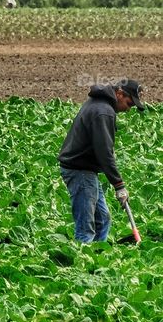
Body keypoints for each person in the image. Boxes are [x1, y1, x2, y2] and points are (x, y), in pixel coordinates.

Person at [59, 78, 144, 243]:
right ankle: (84, 261)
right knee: (86, 228)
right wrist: (119, 185)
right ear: (119, 94)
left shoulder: (100, 104)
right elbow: (104, 153)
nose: (129, 109)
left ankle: (98, 255)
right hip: (80, 171)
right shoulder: (103, 111)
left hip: (86, 170)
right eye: (129, 103)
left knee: (103, 220)